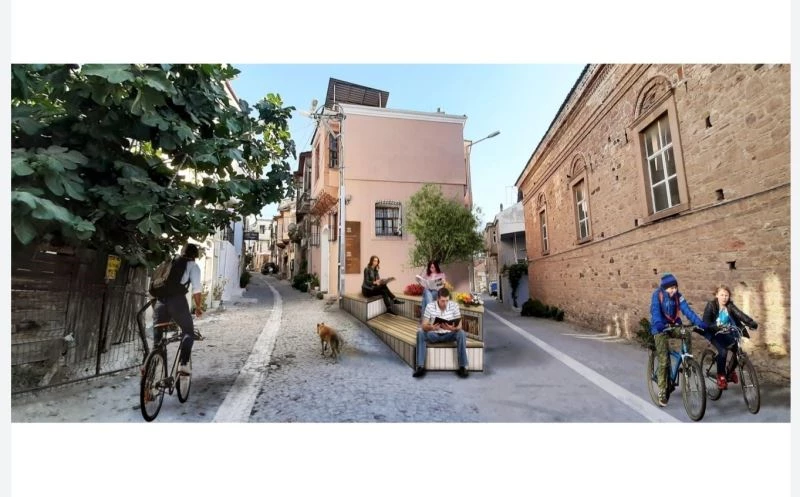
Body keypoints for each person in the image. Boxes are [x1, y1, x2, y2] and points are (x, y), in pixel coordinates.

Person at [649, 273, 709, 407]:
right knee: (664, 360)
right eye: (671, 288)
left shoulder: (678, 296)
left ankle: (687, 360)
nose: (674, 290)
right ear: (664, 288)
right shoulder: (657, 295)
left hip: (673, 325)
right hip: (659, 327)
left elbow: (687, 310)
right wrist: (658, 323)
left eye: (675, 287)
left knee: (686, 333)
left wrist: (699, 322)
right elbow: (655, 310)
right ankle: (662, 390)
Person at [153, 243, 203, 376]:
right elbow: (196, 290)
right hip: (177, 302)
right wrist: (198, 307)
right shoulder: (193, 266)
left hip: (160, 302)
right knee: (188, 332)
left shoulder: (171, 262)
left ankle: (150, 369)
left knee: (157, 342)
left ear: (182, 253)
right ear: (195, 256)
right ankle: (184, 364)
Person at [702, 285, 758, 390]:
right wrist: (715, 327)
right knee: (723, 351)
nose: (724, 298)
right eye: (722, 295)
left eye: (726, 295)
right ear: (717, 295)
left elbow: (740, 314)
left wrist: (751, 322)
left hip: (727, 332)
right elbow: (706, 321)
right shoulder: (711, 305)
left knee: (738, 351)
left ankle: (730, 371)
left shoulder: (730, 306)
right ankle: (721, 376)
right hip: (714, 333)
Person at [413, 287, 469, 379]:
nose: (445, 303)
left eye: (447, 300)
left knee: (461, 333)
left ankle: (463, 367)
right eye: (443, 301)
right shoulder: (430, 306)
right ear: (438, 299)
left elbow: (460, 326)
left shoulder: (454, 306)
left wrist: (453, 328)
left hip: (449, 334)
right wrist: (432, 327)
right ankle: (420, 367)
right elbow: (424, 325)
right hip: (434, 334)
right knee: (420, 333)